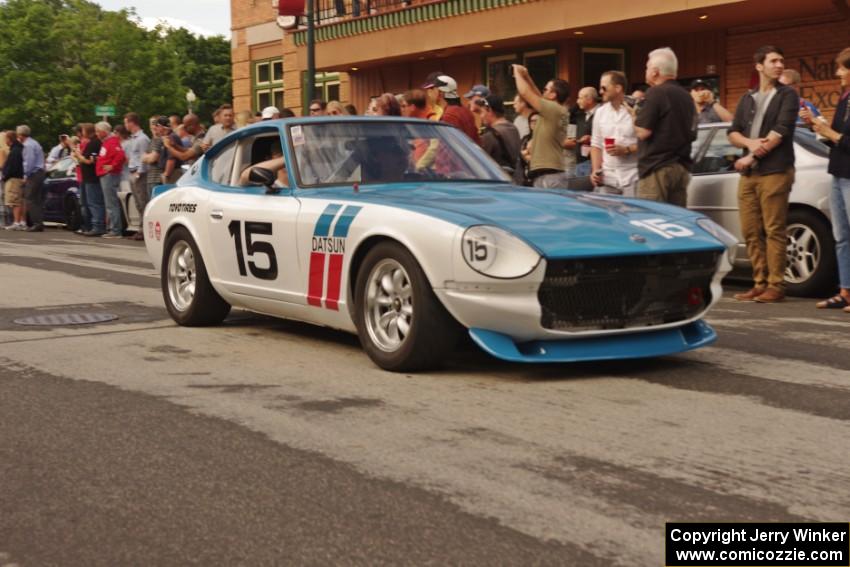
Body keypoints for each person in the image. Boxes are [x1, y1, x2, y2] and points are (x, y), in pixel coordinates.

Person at [727, 45, 799, 303]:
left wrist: (752, 154)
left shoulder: (787, 94)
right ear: (759, 66)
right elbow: (732, 132)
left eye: (781, 60)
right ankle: (758, 283)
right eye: (773, 61)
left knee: (774, 229)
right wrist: (748, 143)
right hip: (748, 175)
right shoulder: (747, 98)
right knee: (750, 231)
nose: (779, 65)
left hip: (775, 171)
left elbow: (780, 131)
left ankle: (776, 285)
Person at [807, 48, 850, 312]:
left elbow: (840, 138)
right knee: (842, 237)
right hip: (837, 173)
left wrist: (830, 133)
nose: (838, 73)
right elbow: (836, 139)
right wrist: (818, 128)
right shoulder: (845, 99)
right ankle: (845, 292)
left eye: (842, 68)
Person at [633, 47, 696, 206]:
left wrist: (632, 115)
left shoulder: (656, 92)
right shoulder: (686, 96)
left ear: (655, 71)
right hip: (681, 168)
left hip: (657, 168)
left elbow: (643, 132)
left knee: (652, 220)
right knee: (675, 223)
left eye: (647, 68)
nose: (645, 71)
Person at [513, 66, 570, 188]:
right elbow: (537, 94)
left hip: (549, 176)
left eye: (545, 89)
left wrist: (517, 73)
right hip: (549, 173)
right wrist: (526, 76)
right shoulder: (556, 110)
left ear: (553, 94)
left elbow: (525, 93)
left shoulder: (553, 109)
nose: (542, 91)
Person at [590, 71, 639, 197]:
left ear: (618, 88)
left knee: (633, 215)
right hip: (607, 177)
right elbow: (596, 144)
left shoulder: (636, 109)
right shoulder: (600, 112)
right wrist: (595, 170)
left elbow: (648, 141)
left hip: (633, 176)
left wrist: (627, 149)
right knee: (607, 215)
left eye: (604, 88)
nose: (600, 92)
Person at [72, 123, 107, 236]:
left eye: (82, 130)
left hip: (92, 177)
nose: (81, 133)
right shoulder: (93, 142)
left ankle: (98, 226)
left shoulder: (94, 143)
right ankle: (91, 225)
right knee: (89, 202)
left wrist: (78, 155)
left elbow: (89, 160)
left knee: (94, 202)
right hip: (88, 177)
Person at [424, 74, 480, 144]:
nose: (428, 93)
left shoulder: (449, 116)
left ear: (440, 92)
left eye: (431, 89)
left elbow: (449, 147)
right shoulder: (464, 110)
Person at [94, 121, 126, 238]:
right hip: (107, 174)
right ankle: (113, 228)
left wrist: (112, 166)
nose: (96, 134)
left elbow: (121, 155)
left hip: (109, 175)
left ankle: (115, 230)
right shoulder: (108, 142)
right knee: (110, 203)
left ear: (104, 132)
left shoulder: (111, 142)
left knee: (111, 203)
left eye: (98, 131)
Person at [478, 95, 521, 172]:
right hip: (516, 179)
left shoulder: (490, 136)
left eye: (481, 112)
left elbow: (479, 163)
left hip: (498, 179)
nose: (480, 117)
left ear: (489, 110)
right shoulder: (514, 129)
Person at [18, 125, 47, 232]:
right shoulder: (34, 142)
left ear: (21, 135)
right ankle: (38, 222)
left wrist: (24, 174)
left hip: (34, 174)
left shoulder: (27, 145)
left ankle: (37, 223)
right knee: (36, 199)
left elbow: (28, 162)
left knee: (30, 199)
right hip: (39, 172)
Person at [572, 87, 598, 177]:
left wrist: (591, 139)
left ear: (590, 100)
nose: (577, 101)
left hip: (594, 161)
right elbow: (567, 115)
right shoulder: (580, 115)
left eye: (580, 98)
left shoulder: (601, 113)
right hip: (580, 161)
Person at [2, 130, 26, 230]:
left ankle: (17, 222)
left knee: (15, 201)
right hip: (19, 177)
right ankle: (22, 221)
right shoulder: (19, 148)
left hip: (14, 179)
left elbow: (13, 167)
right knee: (21, 201)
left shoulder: (15, 150)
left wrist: (5, 176)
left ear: (9, 139)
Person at [515, 111, 539, 186]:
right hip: (525, 176)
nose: (534, 123)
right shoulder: (525, 139)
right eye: (532, 121)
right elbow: (520, 154)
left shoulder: (545, 139)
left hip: (539, 176)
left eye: (537, 120)